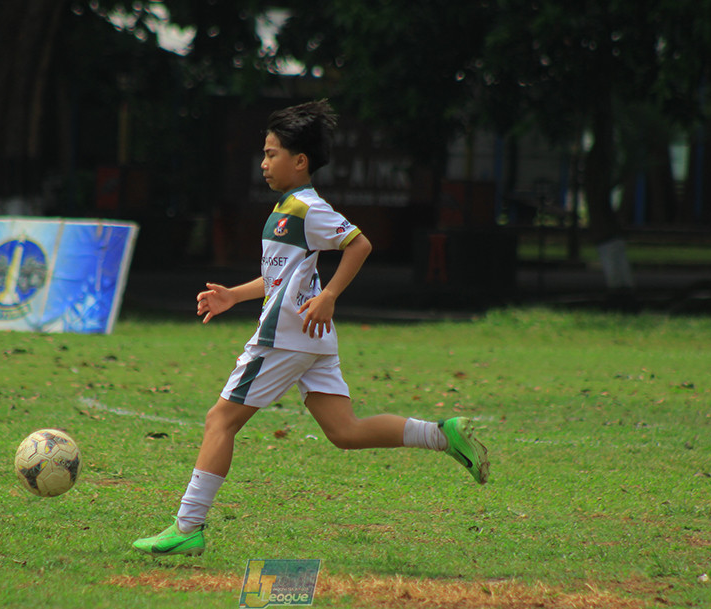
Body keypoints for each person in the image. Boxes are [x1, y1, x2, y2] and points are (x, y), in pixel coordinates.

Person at [132, 100, 490, 558]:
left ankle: (187, 526)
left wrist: (330, 295)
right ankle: (443, 433)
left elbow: (359, 244)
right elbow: (281, 276)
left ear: (300, 161)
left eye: (272, 153)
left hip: (285, 335)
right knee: (344, 431)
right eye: (263, 154)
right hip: (309, 336)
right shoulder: (286, 210)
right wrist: (234, 296)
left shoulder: (306, 208)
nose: (263, 163)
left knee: (220, 420)